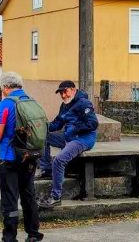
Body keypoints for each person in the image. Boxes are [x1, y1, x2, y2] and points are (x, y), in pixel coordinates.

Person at [0, 72, 44, 242]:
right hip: (30, 156)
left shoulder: (6, 104)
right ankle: (33, 234)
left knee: (10, 199)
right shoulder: (31, 101)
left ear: (5, 87)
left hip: (10, 157)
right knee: (29, 195)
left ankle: (10, 237)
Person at [37, 80, 98, 208]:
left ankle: (56, 196)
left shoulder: (84, 103)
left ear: (73, 90)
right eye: (61, 93)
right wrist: (42, 127)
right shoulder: (64, 105)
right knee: (42, 137)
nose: (63, 95)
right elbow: (57, 123)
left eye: (65, 92)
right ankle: (47, 170)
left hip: (82, 139)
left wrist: (75, 128)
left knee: (59, 160)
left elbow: (93, 124)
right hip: (68, 136)